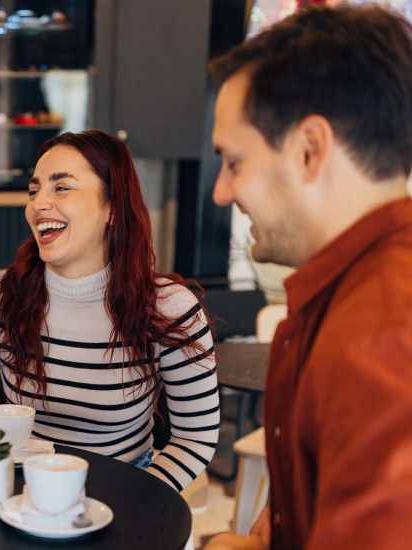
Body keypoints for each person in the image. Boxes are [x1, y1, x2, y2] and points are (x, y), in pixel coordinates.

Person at [0, 130, 220, 492]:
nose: (38, 205)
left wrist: (138, 498)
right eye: (34, 191)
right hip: (25, 490)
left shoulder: (169, 308)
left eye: (61, 188)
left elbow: (196, 438)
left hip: (124, 489)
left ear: (112, 208)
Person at [204, 5, 412, 550]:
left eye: (234, 161)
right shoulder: (348, 296)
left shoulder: (380, 335)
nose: (221, 192)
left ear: (309, 151)